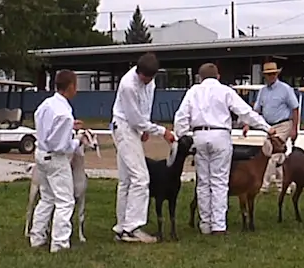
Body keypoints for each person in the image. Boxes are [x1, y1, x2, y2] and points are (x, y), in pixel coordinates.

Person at [175, 63, 270, 235]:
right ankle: (218, 226)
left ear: (200, 77)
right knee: (219, 182)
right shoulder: (226, 91)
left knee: (203, 182)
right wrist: (266, 127)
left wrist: (181, 136)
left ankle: (205, 224)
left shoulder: (193, 91)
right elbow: (245, 112)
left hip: (200, 135)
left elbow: (181, 116)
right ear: (218, 76)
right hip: (220, 136)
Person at [111, 52, 175, 244]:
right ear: (138, 71)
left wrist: (144, 128)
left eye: (149, 78)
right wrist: (161, 131)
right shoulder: (128, 85)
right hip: (124, 127)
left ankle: (122, 227)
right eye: (143, 77)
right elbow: (134, 119)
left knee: (127, 180)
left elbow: (145, 108)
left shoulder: (151, 82)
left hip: (134, 128)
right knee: (140, 177)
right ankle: (132, 228)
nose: (145, 81)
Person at [30, 70, 85, 252]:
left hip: (41, 153)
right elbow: (62, 146)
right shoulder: (64, 114)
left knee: (47, 197)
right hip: (56, 159)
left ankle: (37, 237)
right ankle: (60, 243)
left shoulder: (47, 104)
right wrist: (78, 138)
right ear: (71, 87)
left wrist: (70, 127)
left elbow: (48, 129)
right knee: (65, 201)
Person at [252, 61, 299, 192]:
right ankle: (284, 184)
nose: (271, 76)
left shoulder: (286, 89)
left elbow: (295, 108)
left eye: (273, 74)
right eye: (268, 74)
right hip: (269, 126)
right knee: (279, 157)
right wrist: (247, 124)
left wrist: (294, 128)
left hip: (283, 124)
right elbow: (257, 109)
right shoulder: (262, 91)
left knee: (272, 153)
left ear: (276, 74)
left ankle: (264, 185)